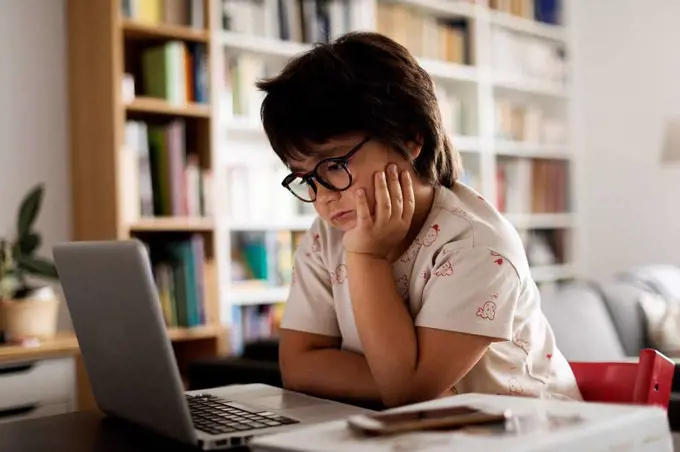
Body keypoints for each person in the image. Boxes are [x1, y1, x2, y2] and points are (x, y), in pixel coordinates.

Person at [255, 32, 582, 409]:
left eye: (334, 165)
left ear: (410, 139)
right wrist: (406, 384)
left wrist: (366, 258)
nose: (324, 195)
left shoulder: (477, 246)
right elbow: (298, 366)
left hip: (533, 434)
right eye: (306, 178)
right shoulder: (327, 235)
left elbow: (407, 392)